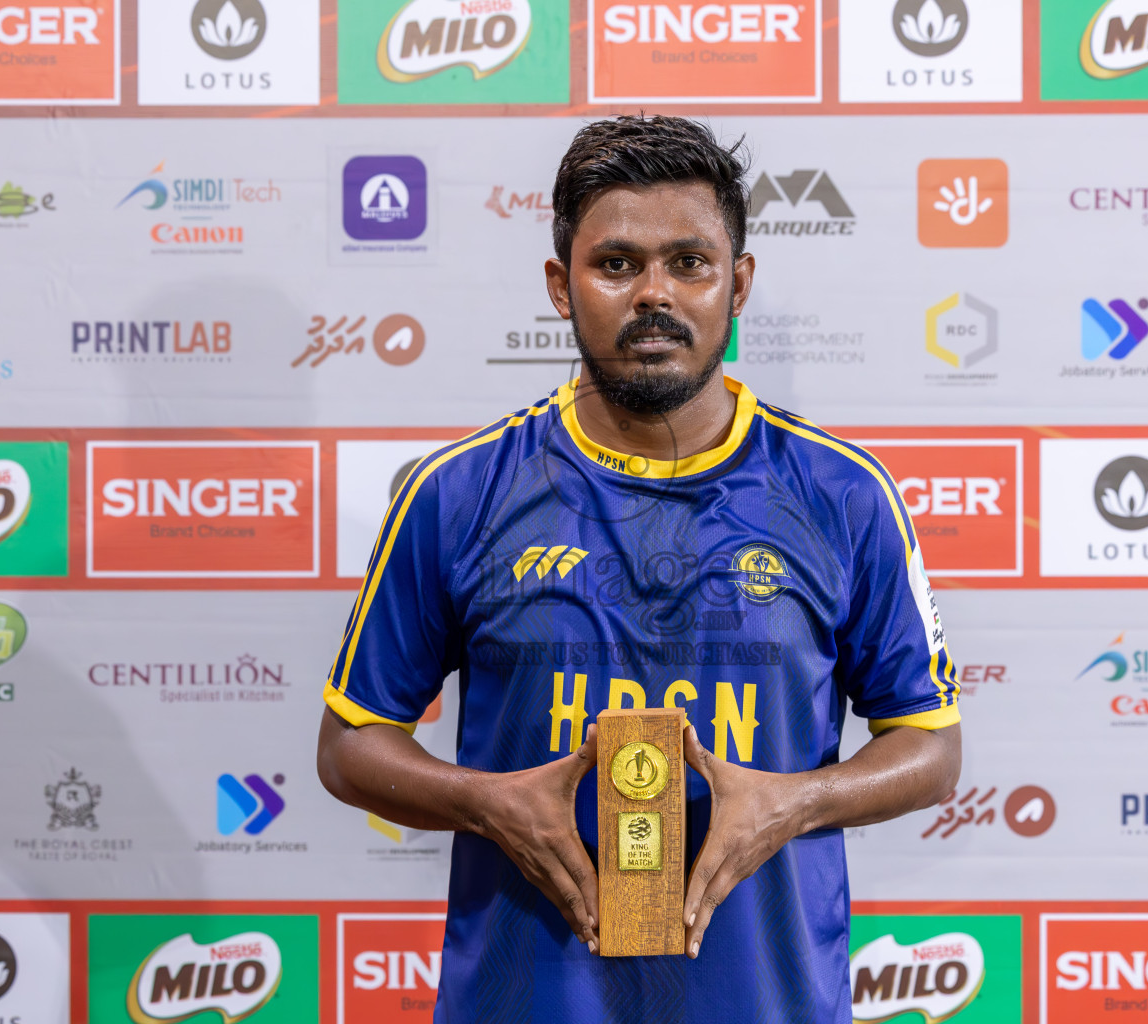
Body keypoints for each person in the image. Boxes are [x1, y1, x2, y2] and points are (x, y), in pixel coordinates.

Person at [317, 114, 963, 1023]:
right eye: (616, 264)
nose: (653, 293)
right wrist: (488, 801)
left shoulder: (843, 494)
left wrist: (792, 802)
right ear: (559, 284)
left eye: (689, 263)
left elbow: (929, 749)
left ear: (737, 285)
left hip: (765, 1001)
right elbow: (350, 746)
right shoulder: (457, 493)